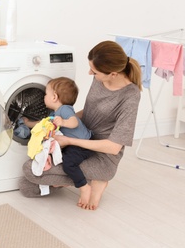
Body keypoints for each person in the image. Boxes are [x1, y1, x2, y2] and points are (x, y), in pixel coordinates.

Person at [19, 40, 142, 210]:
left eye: (94, 71)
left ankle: (97, 179)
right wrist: (55, 124)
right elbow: (88, 111)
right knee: (27, 187)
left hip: (101, 156)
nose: (90, 72)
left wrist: (69, 141)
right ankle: (76, 180)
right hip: (79, 139)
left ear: (113, 74)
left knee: (29, 169)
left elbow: (113, 148)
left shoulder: (130, 96)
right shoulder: (100, 79)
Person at [24, 77, 93, 207]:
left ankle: (84, 187)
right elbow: (43, 124)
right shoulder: (55, 113)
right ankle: (62, 181)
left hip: (82, 145)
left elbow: (74, 121)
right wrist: (28, 124)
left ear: (54, 97)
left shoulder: (64, 109)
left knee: (68, 164)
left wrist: (63, 122)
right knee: (56, 157)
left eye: (46, 94)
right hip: (71, 144)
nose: (44, 96)